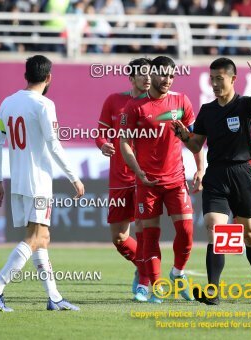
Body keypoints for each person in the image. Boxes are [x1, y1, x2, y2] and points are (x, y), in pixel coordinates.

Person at [0, 55, 84, 312]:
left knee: (42, 237)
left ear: (26, 75)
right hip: (38, 182)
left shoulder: (8, 103)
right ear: (48, 77)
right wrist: (73, 176)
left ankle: (54, 297)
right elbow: (54, 144)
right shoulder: (44, 105)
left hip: (17, 181)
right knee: (35, 237)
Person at [172, 50, 251, 305]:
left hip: (242, 173)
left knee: (250, 235)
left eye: (220, 78)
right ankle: (213, 293)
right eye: (212, 78)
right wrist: (184, 136)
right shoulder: (206, 110)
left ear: (233, 79)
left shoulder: (244, 104)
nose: (215, 84)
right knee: (216, 231)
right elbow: (196, 146)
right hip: (215, 174)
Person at [120, 56, 204, 304]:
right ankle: (156, 286)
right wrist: (137, 171)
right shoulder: (134, 107)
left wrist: (200, 168)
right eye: (162, 75)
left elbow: (194, 139)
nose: (166, 80)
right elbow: (124, 142)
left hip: (176, 180)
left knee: (187, 232)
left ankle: (177, 272)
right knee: (149, 236)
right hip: (147, 183)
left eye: (171, 76)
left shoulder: (181, 101)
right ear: (151, 75)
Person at [95, 57, 151, 296]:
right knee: (119, 237)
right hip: (119, 178)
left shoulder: (157, 103)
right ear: (131, 78)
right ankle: (143, 265)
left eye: (152, 74)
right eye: (143, 74)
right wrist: (103, 144)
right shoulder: (114, 101)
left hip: (145, 178)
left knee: (144, 230)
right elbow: (100, 134)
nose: (149, 78)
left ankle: (146, 281)